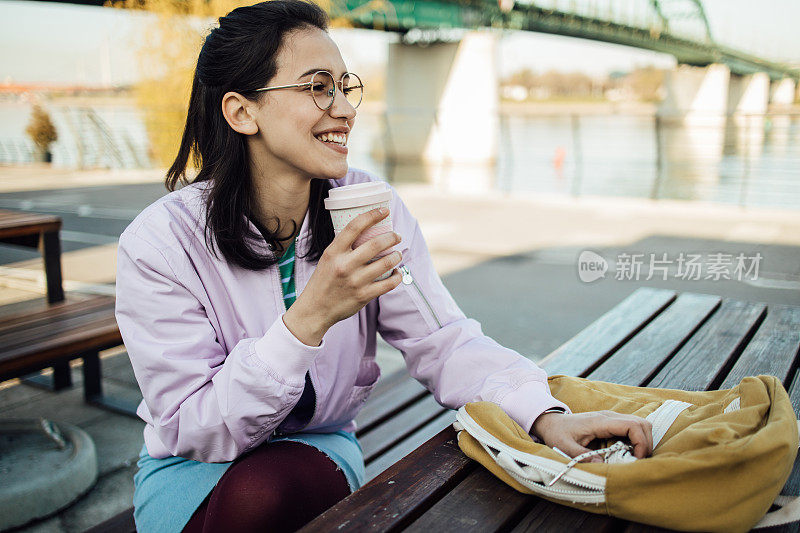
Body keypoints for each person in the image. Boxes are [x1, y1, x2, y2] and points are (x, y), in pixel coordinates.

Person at [115, 2, 653, 532]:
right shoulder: (160, 243)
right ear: (241, 112)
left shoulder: (368, 207)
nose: (346, 108)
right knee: (247, 501)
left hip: (314, 449)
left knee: (264, 492)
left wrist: (546, 415)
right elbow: (193, 425)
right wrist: (309, 318)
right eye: (317, 86)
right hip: (193, 466)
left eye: (345, 86)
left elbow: (443, 341)